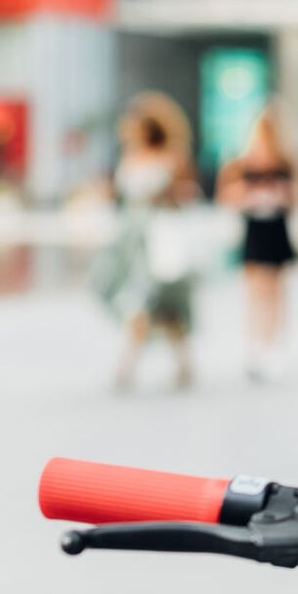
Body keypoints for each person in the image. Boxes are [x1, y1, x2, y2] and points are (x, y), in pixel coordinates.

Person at [96, 93, 202, 391]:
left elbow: (187, 196)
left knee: (154, 303)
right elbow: (120, 196)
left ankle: (127, 366)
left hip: (159, 238)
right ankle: (181, 362)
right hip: (129, 241)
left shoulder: (174, 158)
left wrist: (165, 194)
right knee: (146, 303)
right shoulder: (128, 157)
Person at [217, 104, 298, 381]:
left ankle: (273, 344)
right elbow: (227, 195)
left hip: (276, 225)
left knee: (275, 288)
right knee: (255, 287)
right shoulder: (241, 160)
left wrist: (282, 196)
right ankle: (256, 344)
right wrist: (249, 196)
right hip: (254, 225)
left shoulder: (288, 159)